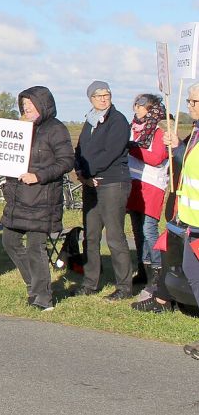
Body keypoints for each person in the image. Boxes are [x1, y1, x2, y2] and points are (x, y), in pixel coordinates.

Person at [0, 87, 74, 311]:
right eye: (23, 106)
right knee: (9, 241)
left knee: (35, 247)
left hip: (42, 198)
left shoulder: (56, 129)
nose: (26, 109)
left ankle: (43, 297)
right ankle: (34, 283)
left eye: (30, 105)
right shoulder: (21, 129)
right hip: (18, 198)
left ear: (43, 105)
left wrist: (39, 176)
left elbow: (66, 161)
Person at [74, 80, 133, 300]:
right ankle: (90, 283)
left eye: (106, 94)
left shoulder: (118, 121)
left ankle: (124, 287)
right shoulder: (89, 120)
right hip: (91, 184)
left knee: (115, 236)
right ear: (90, 98)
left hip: (112, 182)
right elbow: (80, 148)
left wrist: (89, 172)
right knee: (90, 235)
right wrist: (80, 171)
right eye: (98, 95)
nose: (103, 98)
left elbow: (112, 152)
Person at [160, 82, 199, 360]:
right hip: (189, 222)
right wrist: (177, 147)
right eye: (189, 101)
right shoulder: (195, 133)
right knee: (192, 274)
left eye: (195, 102)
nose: (190, 107)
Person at [126, 93, 169, 298]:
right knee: (137, 230)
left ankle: (157, 273)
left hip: (152, 186)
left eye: (143, 105)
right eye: (137, 104)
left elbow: (157, 157)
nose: (138, 107)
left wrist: (132, 149)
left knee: (149, 229)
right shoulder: (132, 130)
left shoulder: (158, 133)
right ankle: (143, 271)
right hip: (134, 184)